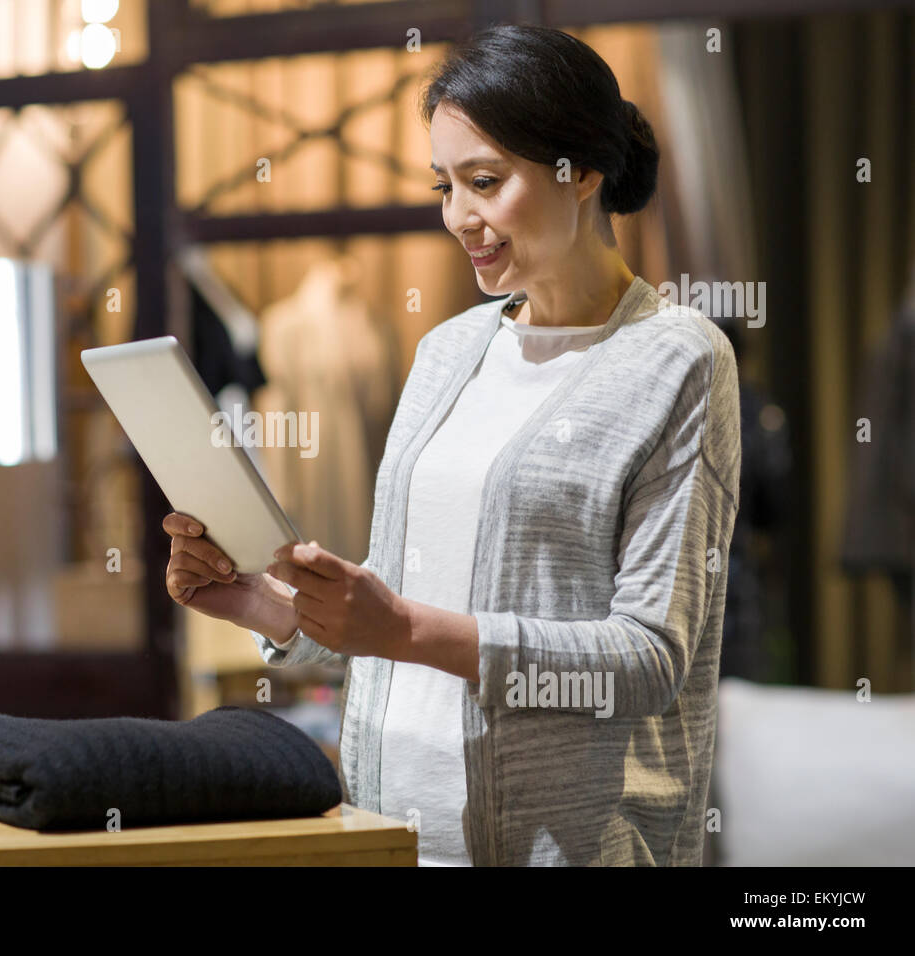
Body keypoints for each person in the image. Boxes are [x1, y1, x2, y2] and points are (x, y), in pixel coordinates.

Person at [163, 24, 741, 866]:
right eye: (445, 185)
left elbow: (648, 660)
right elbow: (400, 626)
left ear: (579, 171)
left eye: (485, 181)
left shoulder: (677, 359)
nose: (459, 217)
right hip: (388, 833)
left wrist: (400, 626)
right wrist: (258, 602)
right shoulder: (447, 354)